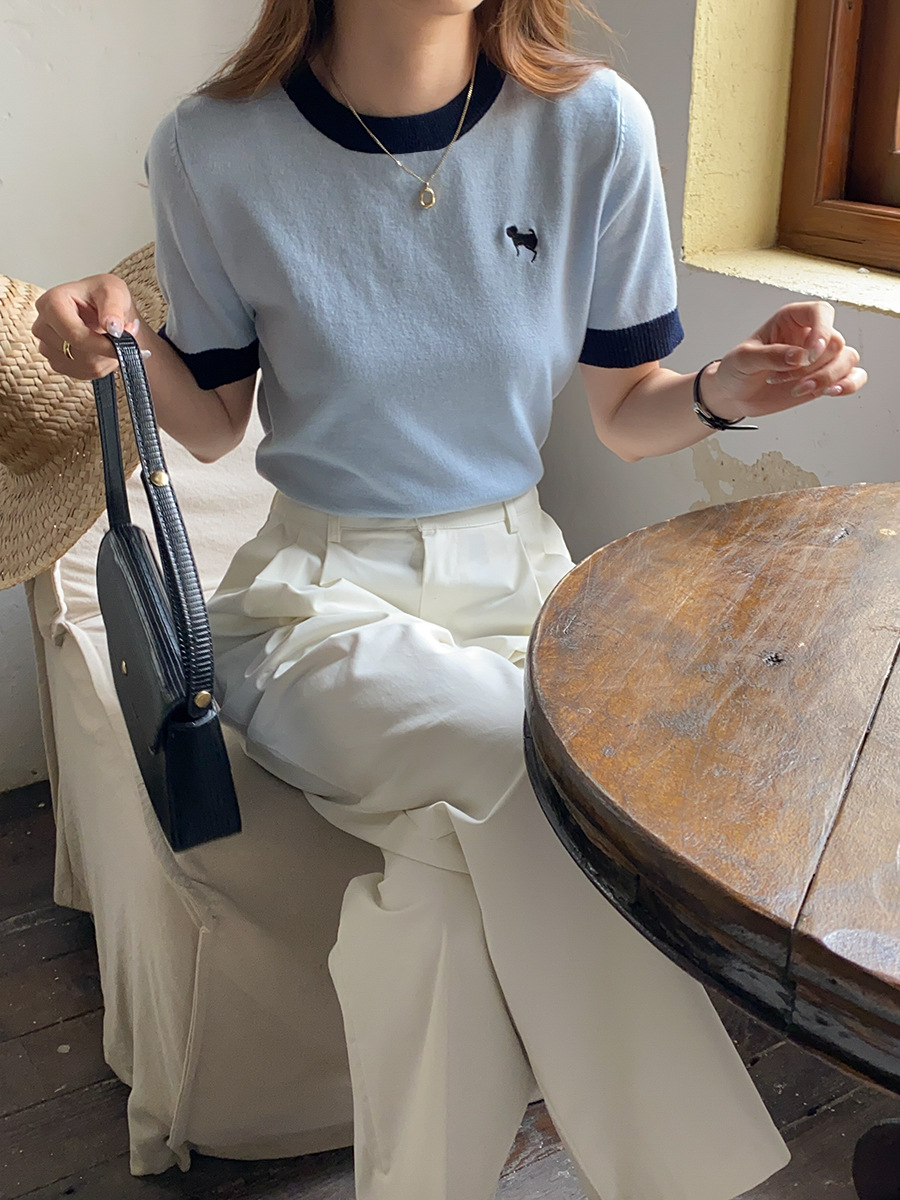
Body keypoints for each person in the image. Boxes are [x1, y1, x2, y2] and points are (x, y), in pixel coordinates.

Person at [32, 1, 865, 1197]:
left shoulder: (594, 126)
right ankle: (693, 1181)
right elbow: (212, 424)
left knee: (434, 903)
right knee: (526, 759)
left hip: (530, 589)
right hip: (317, 600)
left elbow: (628, 410)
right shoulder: (211, 145)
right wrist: (108, 335)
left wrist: (727, 391)